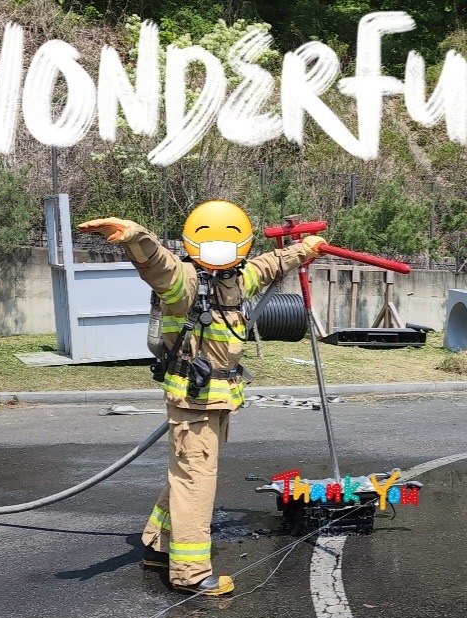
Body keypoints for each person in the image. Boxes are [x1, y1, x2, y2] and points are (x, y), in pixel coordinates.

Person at [78, 200, 326, 596]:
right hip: (194, 403)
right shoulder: (185, 282)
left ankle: (158, 546)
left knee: (184, 476)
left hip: (217, 401)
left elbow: (270, 264)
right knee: (195, 482)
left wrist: (304, 249)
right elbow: (158, 264)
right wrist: (136, 237)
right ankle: (190, 573)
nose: (220, 248)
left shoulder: (236, 279)